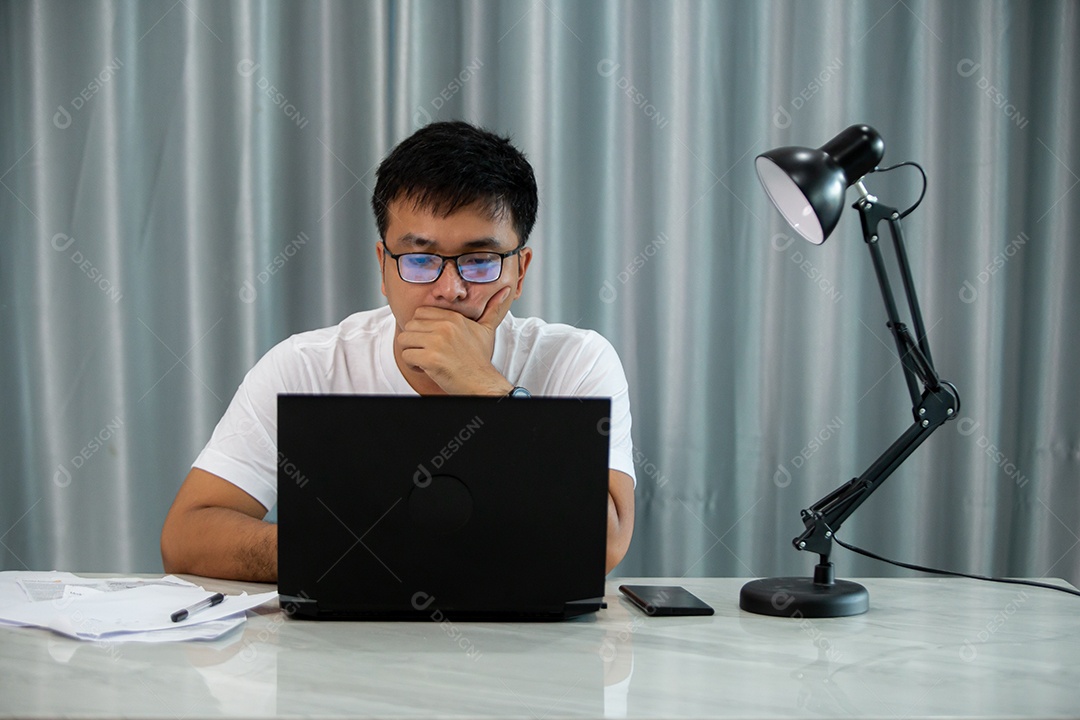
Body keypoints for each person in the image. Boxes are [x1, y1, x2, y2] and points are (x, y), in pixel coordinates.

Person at [161, 121, 635, 581]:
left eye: (479, 261)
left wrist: (486, 389)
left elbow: (605, 547)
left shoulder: (579, 361)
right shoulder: (305, 366)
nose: (450, 289)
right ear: (383, 268)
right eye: (421, 259)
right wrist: (352, 555)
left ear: (520, 271)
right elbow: (186, 537)